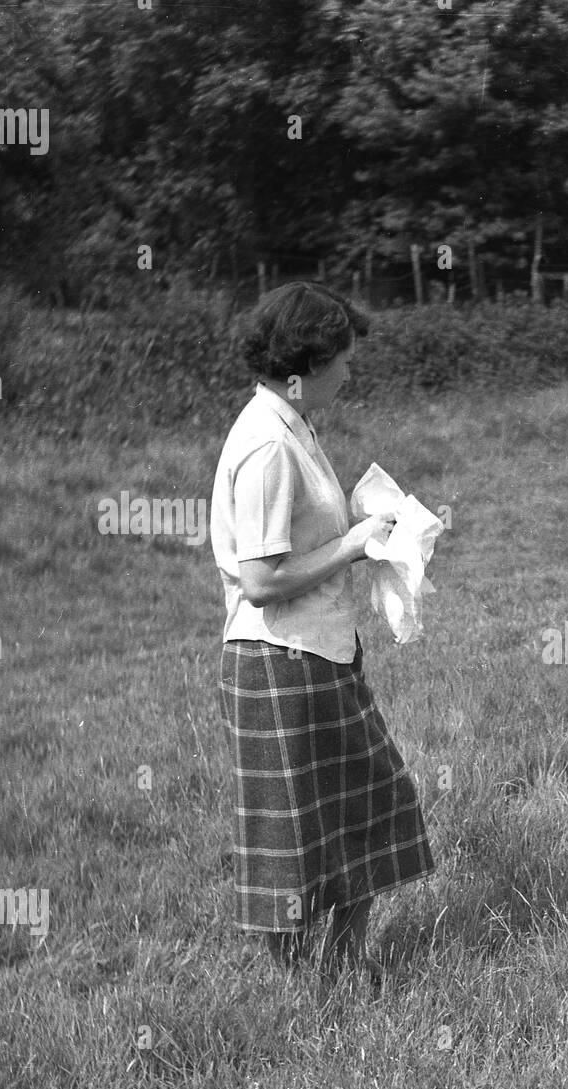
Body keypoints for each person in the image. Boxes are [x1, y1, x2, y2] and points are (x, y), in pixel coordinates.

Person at [210, 281, 434, 983]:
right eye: (342, 358)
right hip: (276, 658)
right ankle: (299, 987)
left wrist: (375, 529)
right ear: (303, 367)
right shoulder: (267, 445)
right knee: (290, 836)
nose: (351, 370)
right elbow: (261, 580)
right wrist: (355, 545)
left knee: (373, 804)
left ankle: (341, 961)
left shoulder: (293, 426)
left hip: (319, 651)